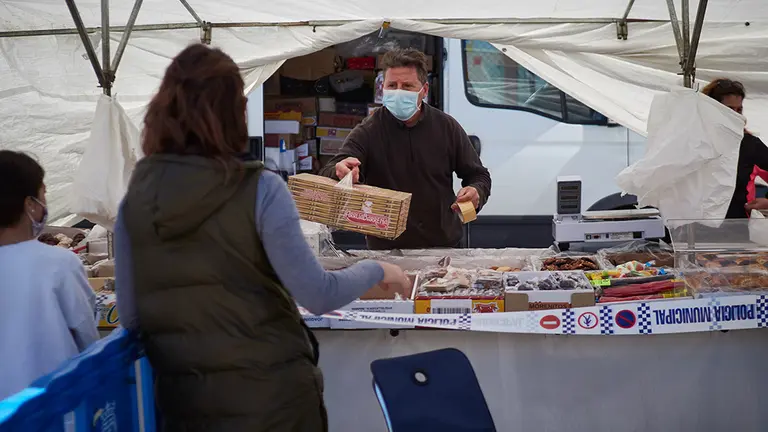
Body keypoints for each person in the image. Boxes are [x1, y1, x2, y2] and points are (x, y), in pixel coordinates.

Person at [114, 44, 411, 432]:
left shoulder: (133, 202)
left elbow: (132, 315)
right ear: (232, 114)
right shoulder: (259, 189)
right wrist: (377, 268)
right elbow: (317, 293)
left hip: (185, 404)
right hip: (273, 402)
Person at [318, 48, 492, 250]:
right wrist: (340, 170)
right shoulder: (369, 130)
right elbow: (329, 170)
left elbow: (479, 175)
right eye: (393, 85)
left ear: (424, 90)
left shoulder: (446, 127)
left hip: (444, 247)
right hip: (386, 250)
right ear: (383, 87)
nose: (398, 92)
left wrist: (475, 192)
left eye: (407, 86)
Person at [0, 150, 99, 400]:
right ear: (31, 205)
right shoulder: (60, 263)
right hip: (52, 406)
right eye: (44, 194)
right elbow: (87, 336)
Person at [700, 78, 768, 217]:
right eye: (729, 109)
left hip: (737, 227)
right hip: (691, 226)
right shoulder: (693, 141)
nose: (736, 115)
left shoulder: (749, 144)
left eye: (739, 109)